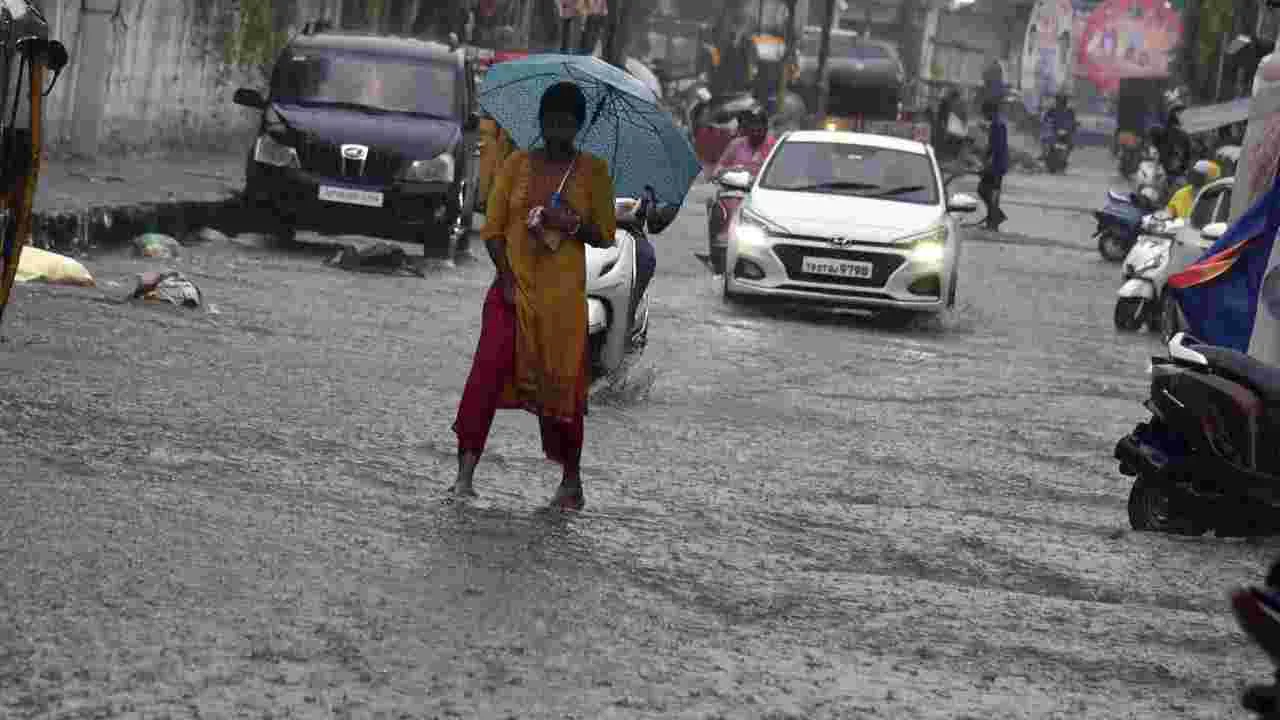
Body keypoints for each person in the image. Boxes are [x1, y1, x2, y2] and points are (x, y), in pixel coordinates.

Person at [451, 81, 617, 511]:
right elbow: (492, 230)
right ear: (540, 121)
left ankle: (571, 481)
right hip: (511, 291)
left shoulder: (594, 172)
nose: (556, 126)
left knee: (562, 389)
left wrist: (570, 222)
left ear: (578, 125)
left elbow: (604, 235)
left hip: (561, 302)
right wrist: (506, 277)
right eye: (550, 118)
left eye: (566, 119)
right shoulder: (516, 163)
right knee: (485, 378)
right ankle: (463, 478)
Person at [711, 108, 777, 178]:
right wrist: (729, 170)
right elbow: (718, 169)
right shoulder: (736, 144)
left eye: (759, 130)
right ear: (747, 128)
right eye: (752, 130)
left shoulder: (774, 146)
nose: (755, 134)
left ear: (765, 128)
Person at [978, 98, 1009, 232]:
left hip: (996, 165)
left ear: (990, 111)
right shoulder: (997, 123)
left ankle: (994, 219)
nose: (984, 116)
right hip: (998, 164)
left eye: (985, 113)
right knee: (990, 192)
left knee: (987, 191)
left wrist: (987, 163)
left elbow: (996, 147)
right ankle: (994, 218)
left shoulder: (997, 124)